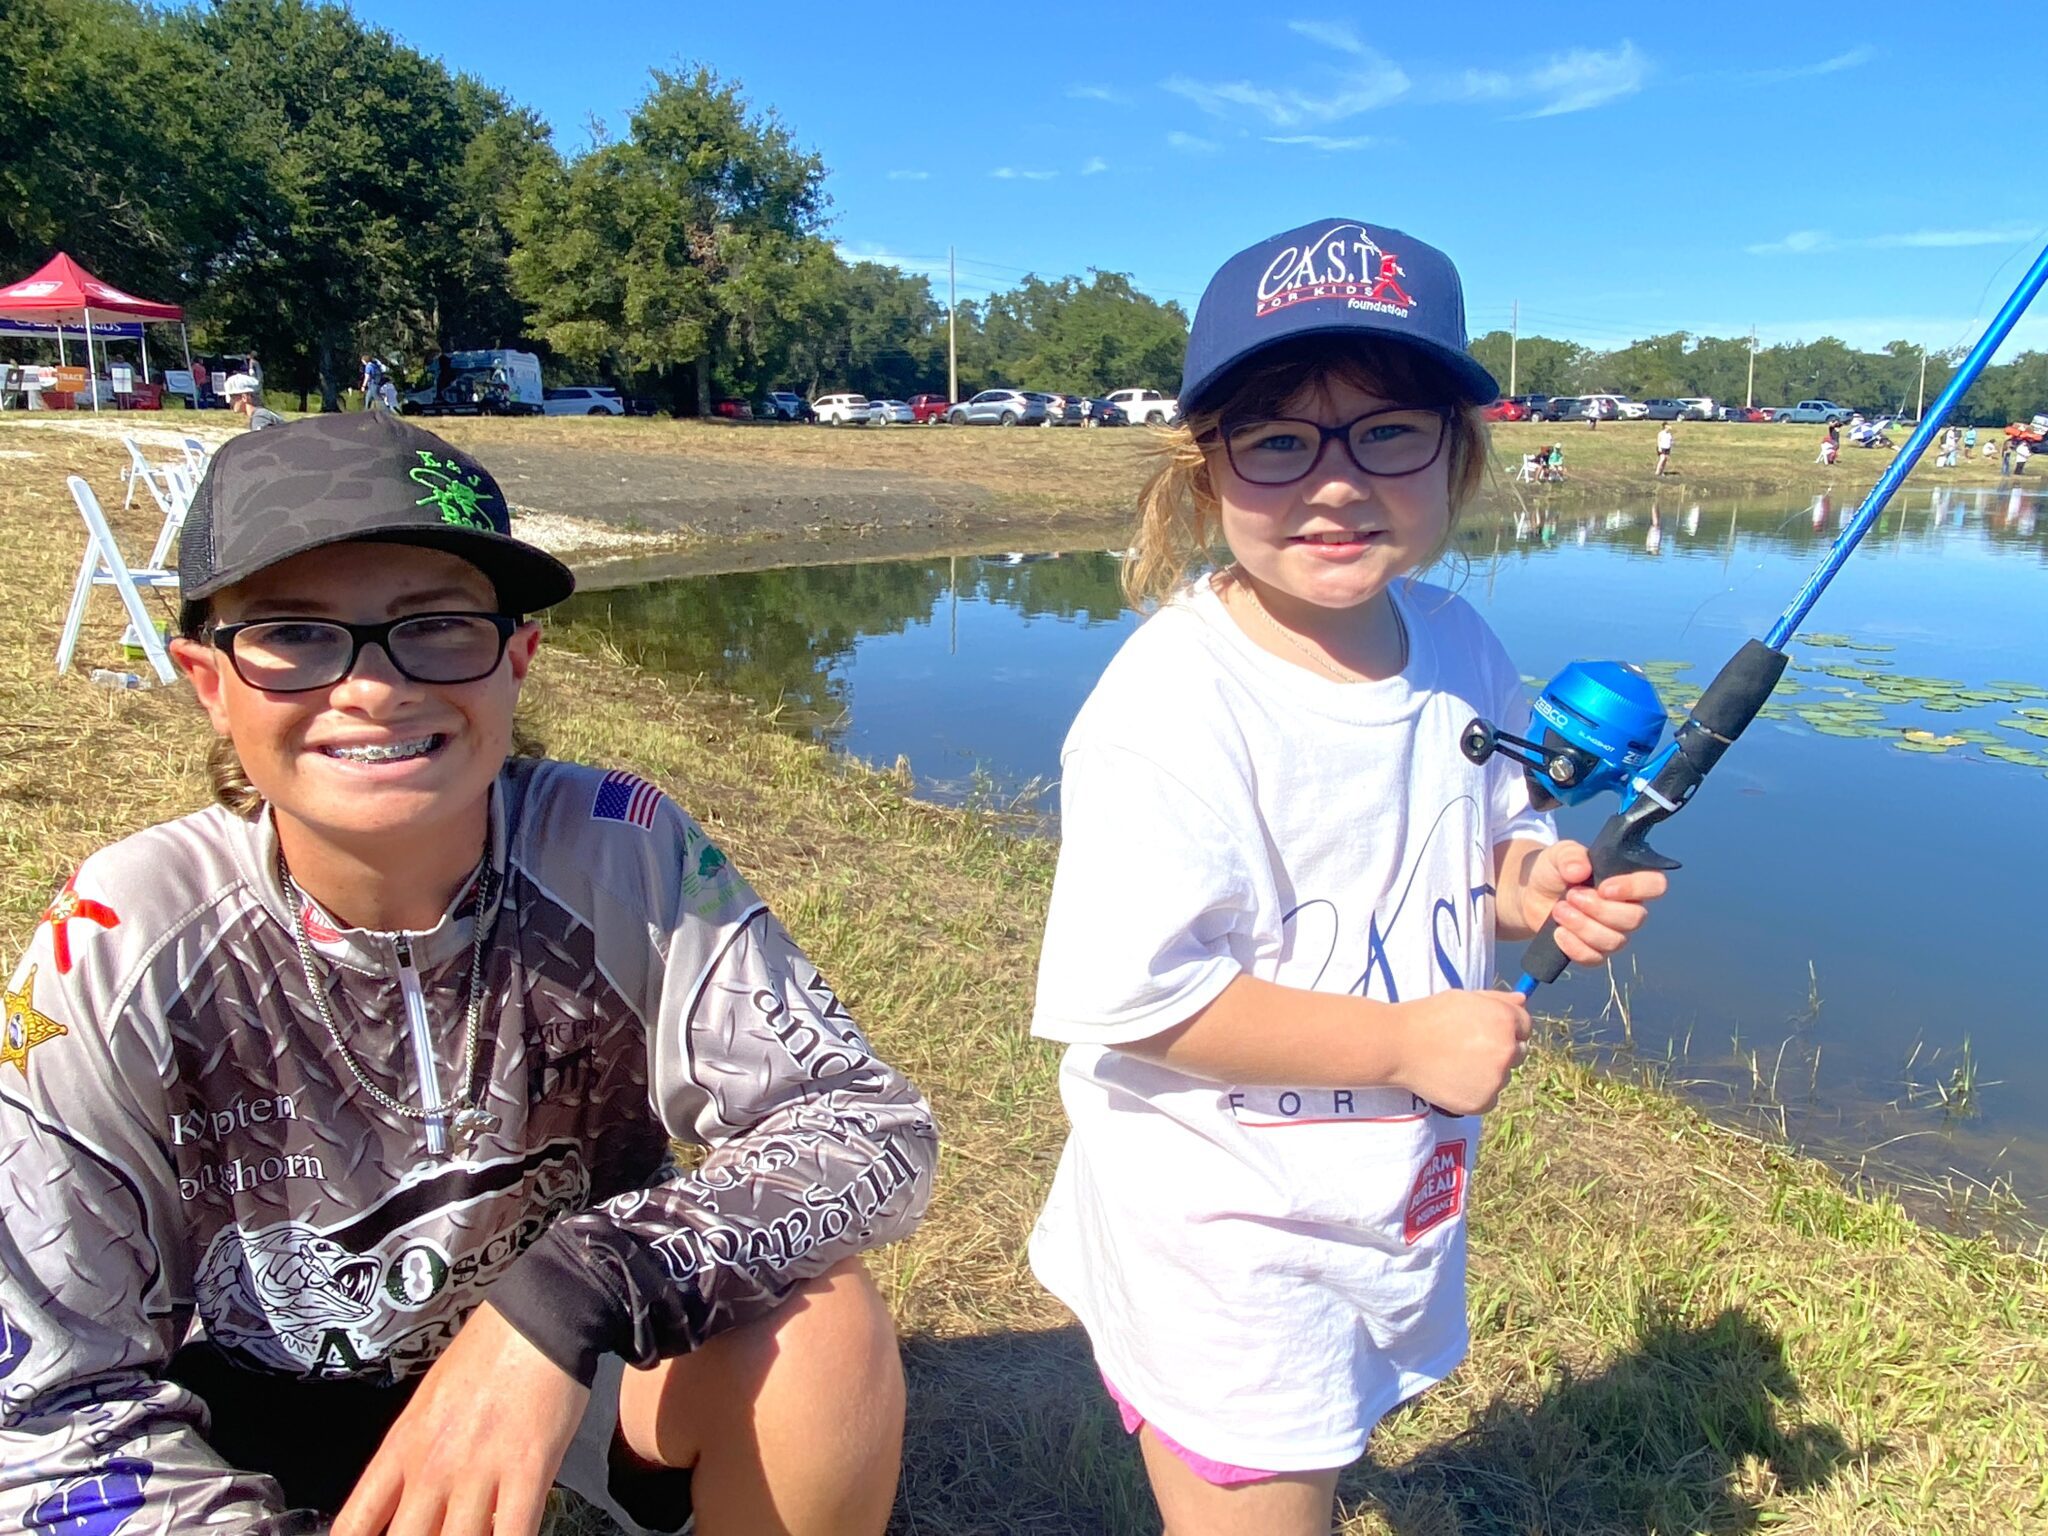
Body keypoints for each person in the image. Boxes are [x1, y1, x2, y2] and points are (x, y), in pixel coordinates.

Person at [0, 411, 935, 1536]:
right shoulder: (120, 931)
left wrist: (575, 1286)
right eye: (294, 634)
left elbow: (869, 1127)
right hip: (244, 1403)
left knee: (823, 1332)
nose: (371, 687)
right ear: (209, 679)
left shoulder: (620, 846)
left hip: (569, 1357)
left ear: (516, 658)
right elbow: (37, 1397)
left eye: (436, 627)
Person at [1025, 218, 1669, 1536]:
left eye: (1386, 432)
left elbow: (1478, 844)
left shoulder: (1457, 640)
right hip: (1220, 1221)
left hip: (1379, 1190)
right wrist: (1401, 1044)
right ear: (1204, 472)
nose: (1334, 482)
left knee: (1321, 1442)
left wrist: (1534, 885)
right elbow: (1137, 1000)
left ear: (1456, 454)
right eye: (1276, 440)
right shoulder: (1168, 709)